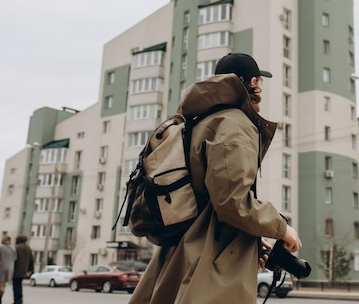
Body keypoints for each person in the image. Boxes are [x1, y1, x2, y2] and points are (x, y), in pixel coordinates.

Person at [129, 53, 302, 304]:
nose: (262, 87)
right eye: (261, 81)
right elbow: (232, 201)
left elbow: (210, 201)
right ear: (253, 82)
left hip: (186, 249)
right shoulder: (235, 124)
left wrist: (251, 239)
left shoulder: (201, 123)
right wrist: (282, 228)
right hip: (208, 260)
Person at [12, 235, 34, 304]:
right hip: (24, 270)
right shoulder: (28, 248)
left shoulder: (16, 248)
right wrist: (30, 270)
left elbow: (14, 259)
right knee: (19, 284)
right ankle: (20, 299)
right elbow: (32, 260)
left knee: (16, 285)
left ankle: (17, 300)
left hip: (16, 270)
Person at [0, 235, 16, 304]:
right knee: (6, 283)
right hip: (10, 269)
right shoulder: (13, 249)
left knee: (1, 283)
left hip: (2, 267)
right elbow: (15, 258)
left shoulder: (1, 247)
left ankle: (0, 296)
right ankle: (2, 290)